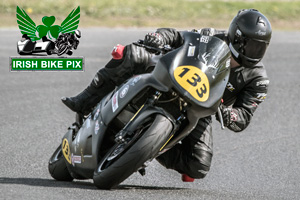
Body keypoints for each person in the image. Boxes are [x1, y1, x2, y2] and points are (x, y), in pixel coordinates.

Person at [61, 9, 271, 180]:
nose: (254, 52)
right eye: (251, 45)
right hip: (172, 77)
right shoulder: (212, 36)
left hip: (202, 109)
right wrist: (158, 37)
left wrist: (230, 115)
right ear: (236, 36)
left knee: (198, 166)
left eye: (260, 47)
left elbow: (244, 116)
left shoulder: (258, 80)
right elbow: (179, 36)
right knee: (133, 53)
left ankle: (146, 149)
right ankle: (86, 99)